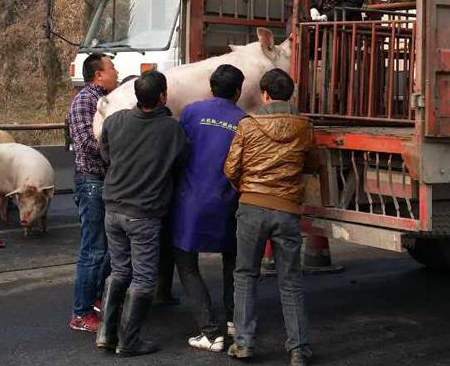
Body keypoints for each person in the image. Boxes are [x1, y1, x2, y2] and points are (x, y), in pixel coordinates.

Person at [224, 68, 319, 366]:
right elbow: (312, 163)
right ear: (289, 94)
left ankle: (244, 344)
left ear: (264, 95)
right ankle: (299, 350)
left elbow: (231, 168)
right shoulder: (305, 126)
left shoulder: (248, 125)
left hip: (251, 207)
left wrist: (247, 190)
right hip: (287, 210)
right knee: (290, 281)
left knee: (245, 275)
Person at [96, 70, 187, 357]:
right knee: (145, 277)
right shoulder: (172, 129)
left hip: (112, 208)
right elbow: (181, 162)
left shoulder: (114, 122)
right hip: (144, 213)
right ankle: (129, 341)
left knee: (120, 270)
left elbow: (106, 155)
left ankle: (106, 333)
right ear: (163, 97)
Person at [171, 64, 247, 353]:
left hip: (191, 200)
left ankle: (209, 331)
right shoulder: (244, 120)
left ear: (210, 86)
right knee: (232, 260)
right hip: (228, 200)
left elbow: (180, 151)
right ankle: (232, 319)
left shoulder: (191, 112)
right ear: (238, 91)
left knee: (187, 262)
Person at [68, 54, 119, 333]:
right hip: (92, 181)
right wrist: (120, 155)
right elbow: (87, 142)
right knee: (94, 249)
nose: (116, 71)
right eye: (111, 68)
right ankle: (81, 313)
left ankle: (97, 300)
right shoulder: (86, 100)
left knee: (107, 248)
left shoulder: (109, 99)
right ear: (98, 75)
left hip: (103, 181)